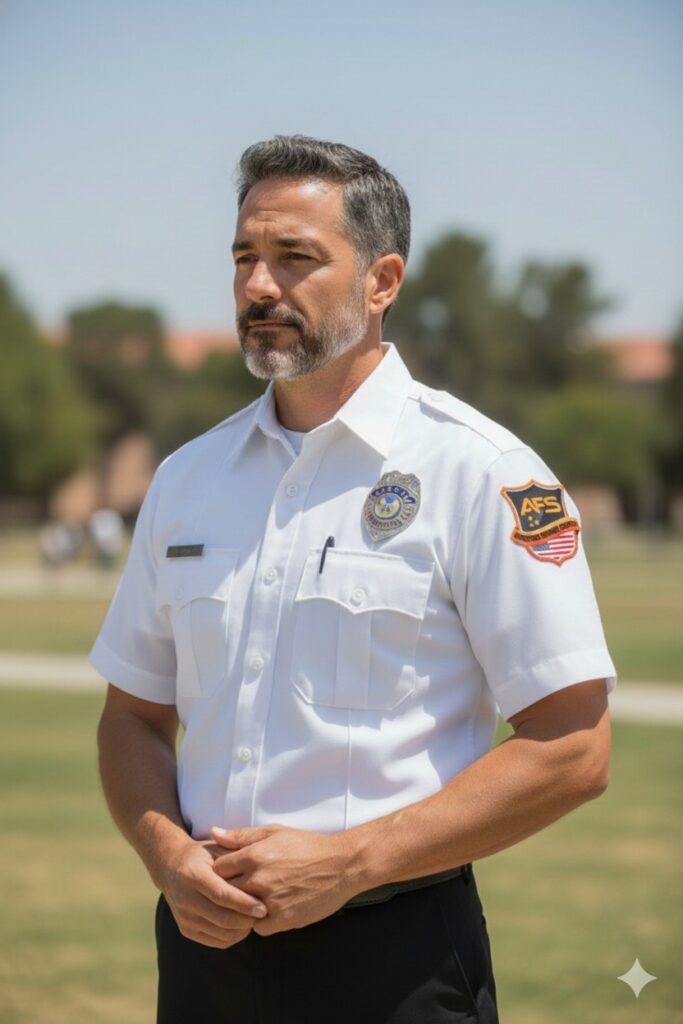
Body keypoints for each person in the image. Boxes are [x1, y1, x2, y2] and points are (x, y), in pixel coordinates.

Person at [91, 135, 616, 1024]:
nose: (259, 286)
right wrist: (165, 855)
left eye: (294, 257)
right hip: (202, 951)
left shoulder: (482, 472)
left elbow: (572, 746)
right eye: (244, 257)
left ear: (382, 282)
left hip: (396, 960)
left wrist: (350, 862)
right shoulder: (186, 479)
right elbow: (132, 717)